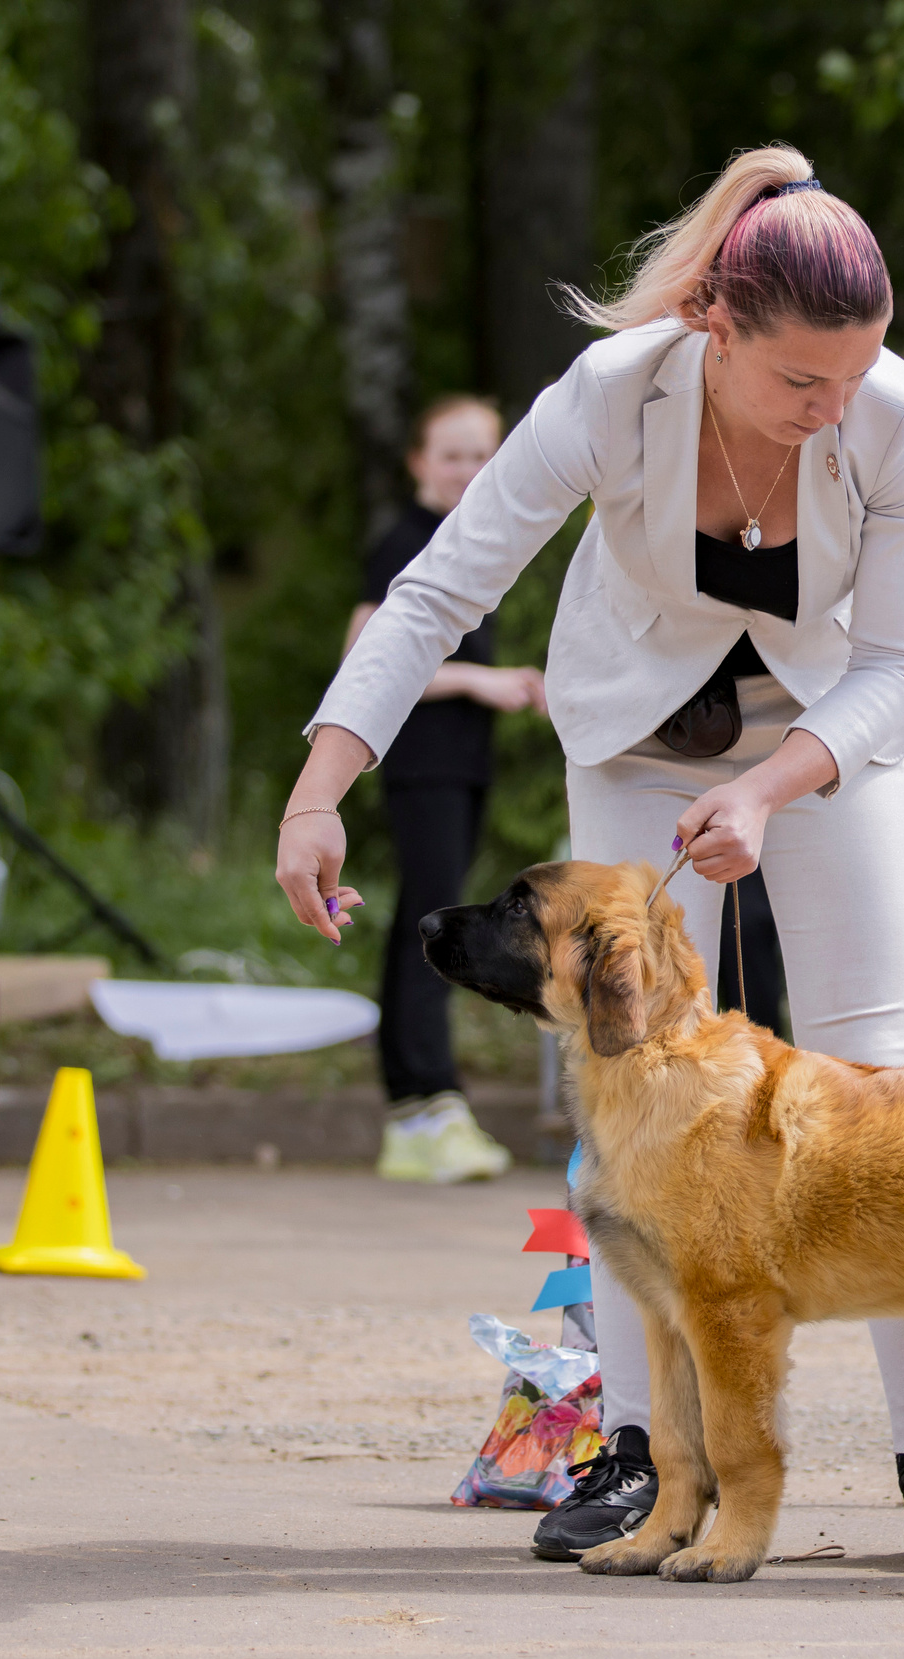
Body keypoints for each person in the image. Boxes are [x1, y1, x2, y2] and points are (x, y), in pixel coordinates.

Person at [276, 145, 904, 1571]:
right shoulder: (609, 399)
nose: (834, 408)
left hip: (830, 735)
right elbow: (441, 589)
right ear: (712, 330)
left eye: (855, 376)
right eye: (803, 382)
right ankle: (629, 1443)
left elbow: (893, 661)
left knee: (890, 1075)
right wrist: (323, 785)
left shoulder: (900, 421)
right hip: (632, 736)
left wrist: (777, 787)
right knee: (624, 1079)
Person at [344, 396, 548, 1184]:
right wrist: (481, 682)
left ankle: (423, 1102)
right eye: (451, 455)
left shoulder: (470, 540)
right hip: (419, 762)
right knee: (430, 926)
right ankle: (421, 1100)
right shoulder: (402, 541)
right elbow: (366, 654)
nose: (467, 470)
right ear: (419, 462)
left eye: (480, 456)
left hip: (461, 766)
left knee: (426, 917)